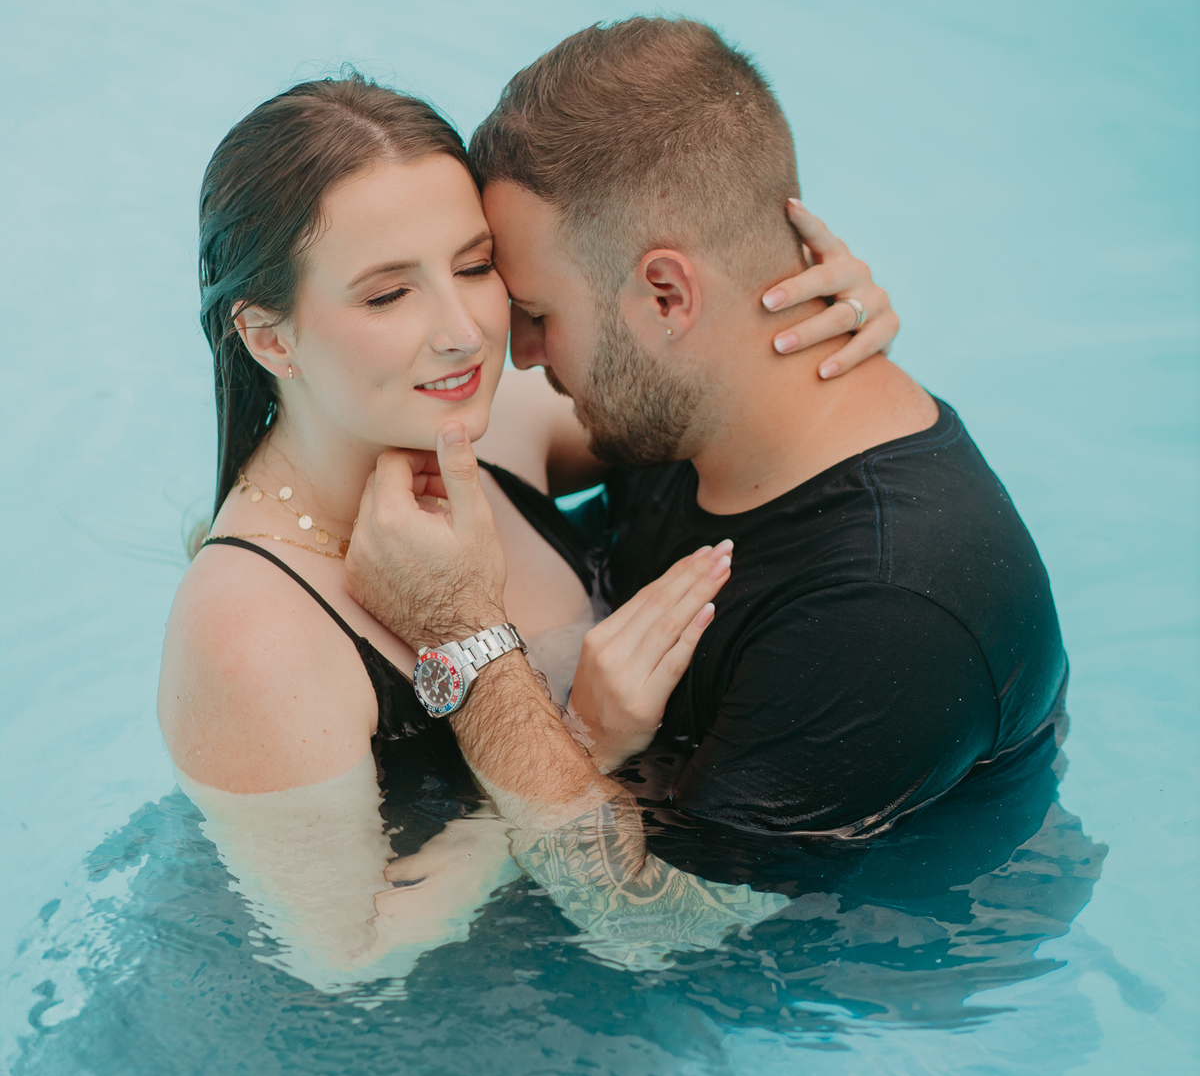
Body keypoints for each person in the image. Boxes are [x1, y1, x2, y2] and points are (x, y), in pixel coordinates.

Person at [157, 73, 896, 982]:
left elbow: (695, 393)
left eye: (474, 267)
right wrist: (584, 739)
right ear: (272, 338)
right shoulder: (252, 629)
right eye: (388, 295)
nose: (465, 332)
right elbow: (345, 959)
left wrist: (809, 315)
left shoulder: (498, 431)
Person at [344, 17, 1068, 922]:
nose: (518, 355)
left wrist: (469, 646)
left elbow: (645, 932)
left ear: (667, 295)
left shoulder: (885, 613)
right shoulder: (705, 402)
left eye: (536, 312)